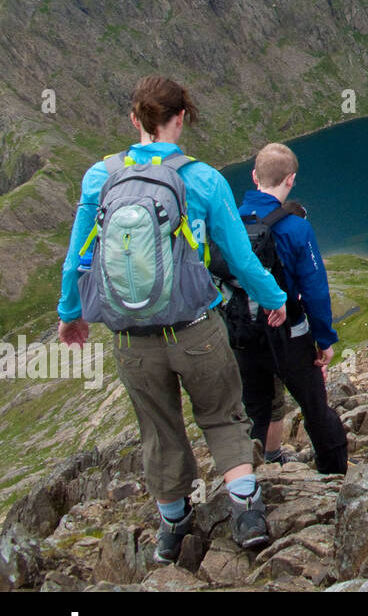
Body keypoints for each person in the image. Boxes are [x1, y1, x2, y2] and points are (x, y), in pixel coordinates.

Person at [57, 76, 287, 561]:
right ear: (181, 118)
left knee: (159, 430)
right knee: (224, 417)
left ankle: (173, 529)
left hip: (130, 339)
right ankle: (247, 515)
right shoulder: (204, 179)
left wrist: (70, 315)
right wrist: (274, 298)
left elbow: (77, 257)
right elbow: (242, 259)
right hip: (197, 329)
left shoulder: (101, 177)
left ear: (134, 119)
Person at [223, 142, 348, 475]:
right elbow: (315, 290)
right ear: (290, 180)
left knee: (256, 413)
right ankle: (335, 475)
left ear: (254, 177)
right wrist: (324, 340)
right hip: (288, 336)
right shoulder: (296, 228)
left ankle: (251, 486)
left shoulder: (230, 222)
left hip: (243, 336)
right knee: (315, 408)